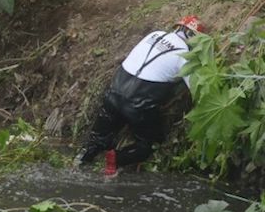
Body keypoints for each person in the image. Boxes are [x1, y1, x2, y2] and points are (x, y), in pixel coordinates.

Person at [75, 15, 206, 176]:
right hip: (138, 105)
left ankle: (80, 161)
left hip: (114, 93)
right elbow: (197, 89)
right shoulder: (184, 55)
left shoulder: (154, 35)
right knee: (148, 144)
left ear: (177, 27)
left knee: (97, 139)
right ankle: (116, 159)